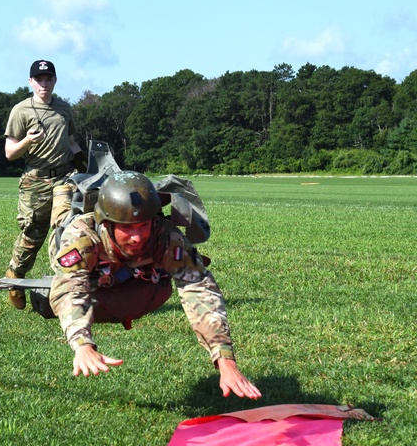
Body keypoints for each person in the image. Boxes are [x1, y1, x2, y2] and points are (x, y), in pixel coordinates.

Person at [45, 170, 261, 399]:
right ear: (107, 224)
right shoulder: (82, 238)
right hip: (76, 248)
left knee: (154, 286)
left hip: (129, 267)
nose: (137, 237)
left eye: (143, 225)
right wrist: (82, 343)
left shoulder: (165, 236)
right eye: (126, 227)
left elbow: (199, 290)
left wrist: (224, 358)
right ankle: (63, 191)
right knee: (62, 220)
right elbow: (70, 290)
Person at [3, 59, 87, 309]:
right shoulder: (21, 110)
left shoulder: (64, 108)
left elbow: (72, 143)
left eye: (49, 78)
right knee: (33, 233)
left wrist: (87, 169)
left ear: (55, 80)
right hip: (35, 180)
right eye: (39, 79)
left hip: (65, 176)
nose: (44, 84)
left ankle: (67, 284)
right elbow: (9, 153)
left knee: (66, 227)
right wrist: (27, 140)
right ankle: (15, 277)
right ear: (31, 82)